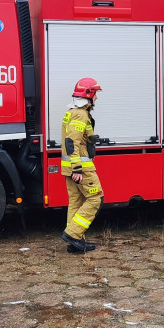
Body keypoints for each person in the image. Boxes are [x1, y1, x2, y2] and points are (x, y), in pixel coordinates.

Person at [60, 77, 104, 254]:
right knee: (95, 198)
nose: (97, 98)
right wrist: (77, 168)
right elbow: (72, 142)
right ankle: (73, 234)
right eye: (95, 94)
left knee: (76, 202)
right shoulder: (80, 114)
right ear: (88, 94)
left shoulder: (72, 112)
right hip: (81, 167)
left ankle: (75, 242)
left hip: (70, 165)